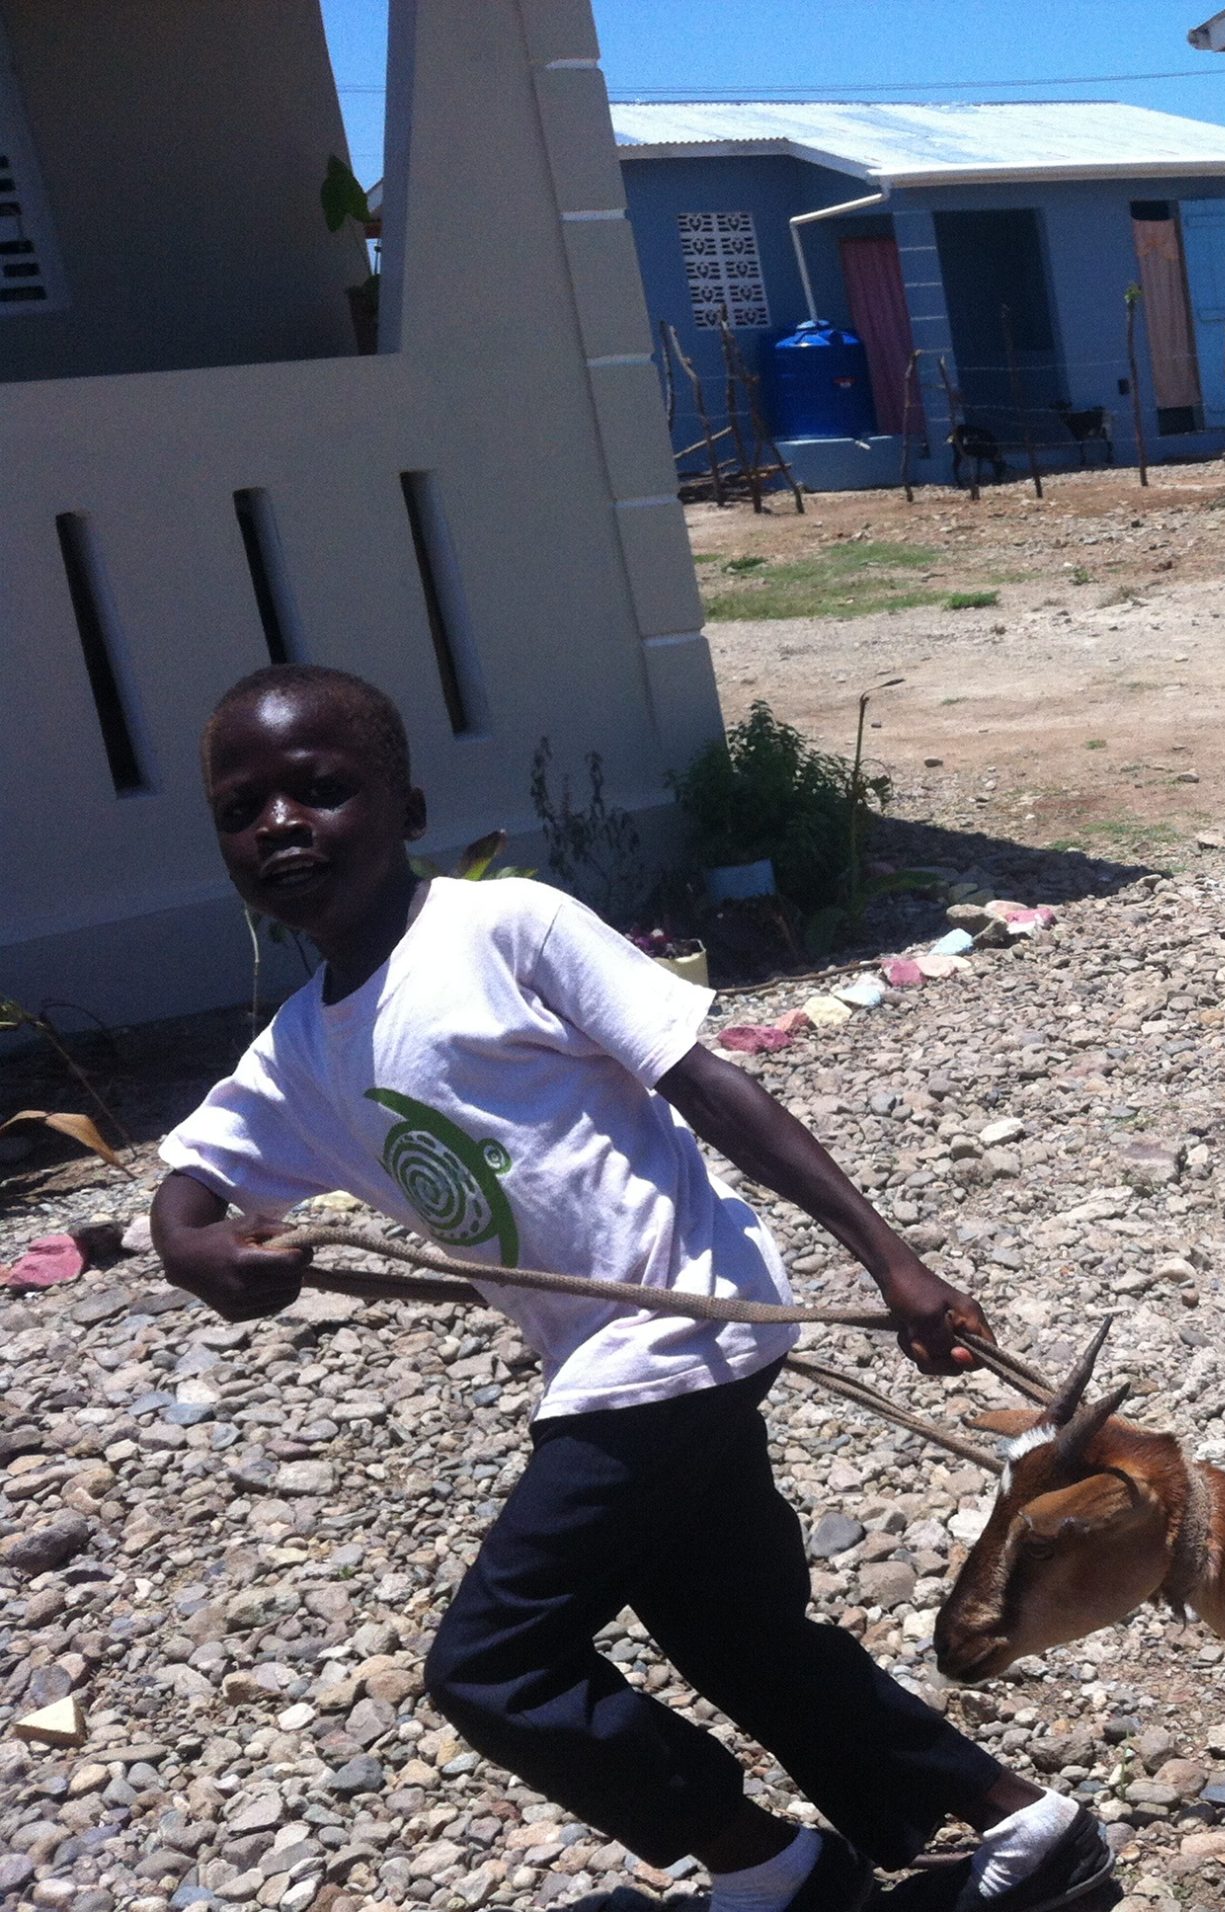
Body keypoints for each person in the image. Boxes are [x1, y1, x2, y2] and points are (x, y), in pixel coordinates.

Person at [151, 665, 1116, 1912]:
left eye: (323, 791)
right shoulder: (295, 1048)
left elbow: (708, 1083)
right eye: (244, 808)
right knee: (738, 1634)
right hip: (608, 1364)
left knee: (493, 1666)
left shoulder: (505, 930)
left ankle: (767, 1861)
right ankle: (1029, 1829)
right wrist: (196, 1251)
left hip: (673, 1338)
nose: (282, 825)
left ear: (406, 802)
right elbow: (187, 1185)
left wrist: (892, 1260)